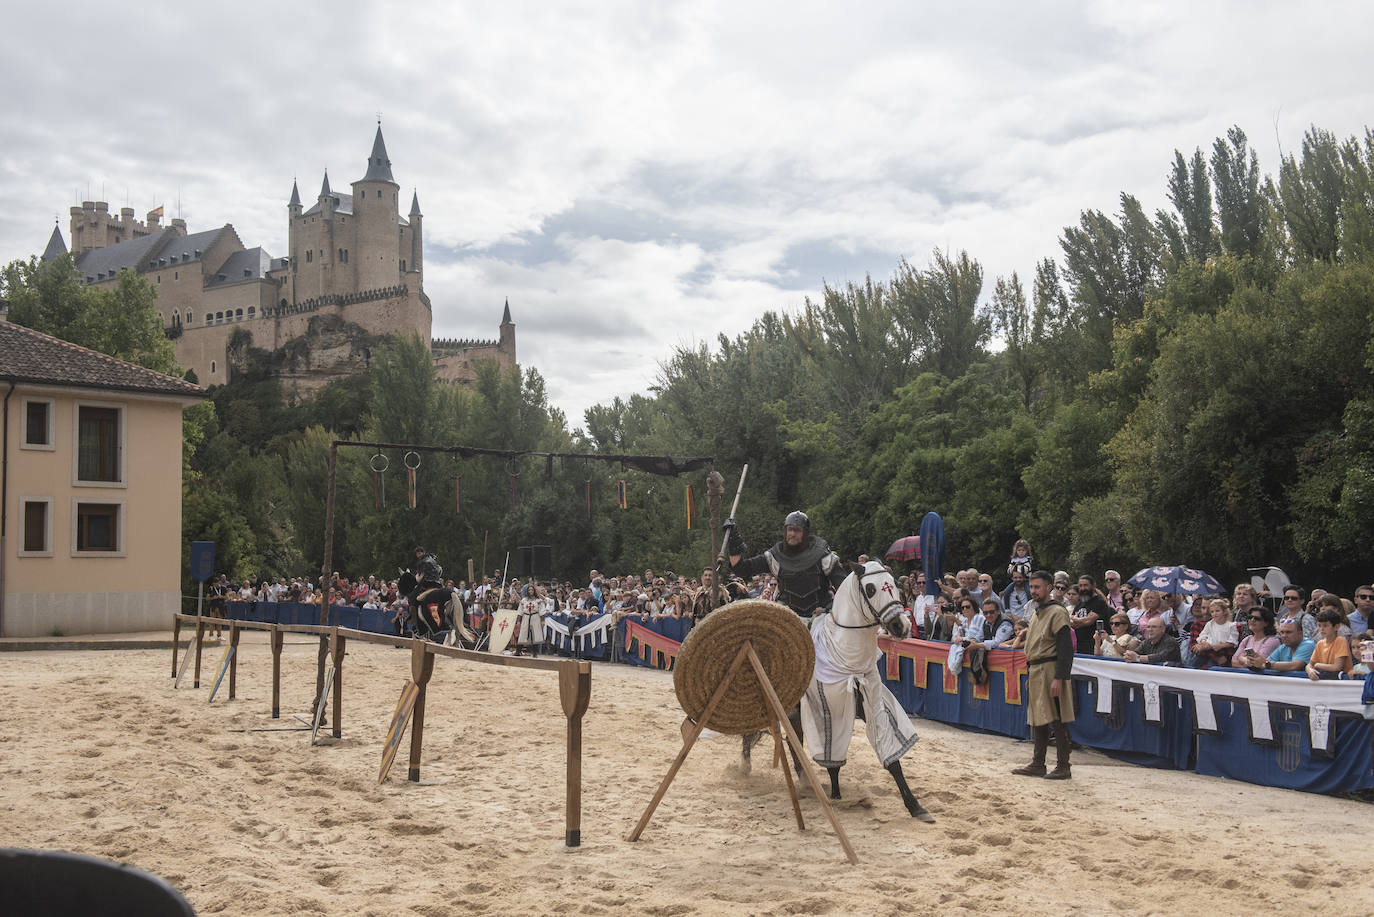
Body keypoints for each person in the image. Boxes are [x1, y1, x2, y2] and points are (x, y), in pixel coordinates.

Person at [724, 510, 846, 621]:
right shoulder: (776, 556)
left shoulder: (823, 557)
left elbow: (844, 588)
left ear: (806, 533)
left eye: (797, 530)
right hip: (787, 619)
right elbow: (742, 569)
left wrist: (828, 608)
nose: (792, 534)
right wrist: (733, 541)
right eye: (790, 529)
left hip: (821, 619)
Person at [1013, 570, 1075, 779]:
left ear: (1049, 587)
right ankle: (1038, 763)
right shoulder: (1036, 611)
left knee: (1058, 718)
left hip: (1051, 668)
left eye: (1037, 587)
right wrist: (1031, 673)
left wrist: (1059, 677)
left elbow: (1066, 648)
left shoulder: (1058, 612)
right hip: (1037, 670)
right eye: (1031, 587)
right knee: (1039, 717)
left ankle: (1063, 766)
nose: (1033, 591)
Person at [1190, 598, 1239, 669]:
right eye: (1212, 612)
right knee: (1193, 665)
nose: (1214, 614)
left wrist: (1221, 646)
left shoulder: (1231, 626)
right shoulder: (1210, 624)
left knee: (1211, 668)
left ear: (1224, 612)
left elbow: (1233, 641)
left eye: (1217, 611)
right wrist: (1203, 642)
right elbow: (1203, 635)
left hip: (1220, 654)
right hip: (1207, 650)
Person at [1306, 609, 1353, 680]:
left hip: (1340, 678)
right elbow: (1309, 664)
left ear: (1336, 627)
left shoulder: (1341, 640)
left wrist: (1317, 665)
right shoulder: (1320, 643)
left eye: (1325, 626)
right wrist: (1310, 671)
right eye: (1319, 625)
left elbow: (1337, 667)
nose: (1321, 629)